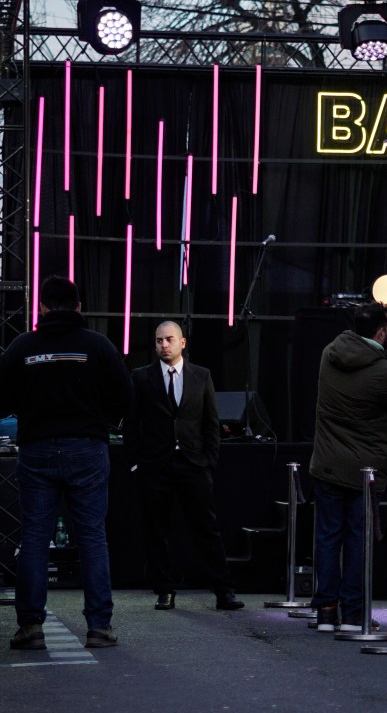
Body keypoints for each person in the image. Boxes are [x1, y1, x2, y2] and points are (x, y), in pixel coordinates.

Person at [0, 274, 132, 650]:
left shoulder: (22, 347)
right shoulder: (98, 345)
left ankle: (30, 627)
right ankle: (99, 627)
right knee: (92, 537)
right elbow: (125, 397)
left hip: (37, 449)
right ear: (78, 307)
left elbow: (2, 399)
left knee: (35, 538)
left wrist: (31, 409)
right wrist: (98, 419)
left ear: (41, 307)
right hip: (88, 448)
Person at [308, 301, 387, 631]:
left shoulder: (331, 352)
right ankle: (352, 615)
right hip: (363, 473)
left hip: (326, 465)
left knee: (327, 539)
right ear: (380, 332)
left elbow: (372, 356)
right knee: (358, 542)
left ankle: (325, 612)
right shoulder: (383, 374)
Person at [124, 319, 244, 612]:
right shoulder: (141, 377)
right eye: (158, 340)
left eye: (168, 339)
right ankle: (164, 590)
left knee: (207, 529)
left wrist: (209, 461)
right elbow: (132, 423)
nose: (163, 345)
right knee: (156, 531)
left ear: (182, 343)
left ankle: (224, 591)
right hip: (156, 465)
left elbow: (211, 422)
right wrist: (137, 463)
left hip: (193, 463)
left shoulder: (201, 375)